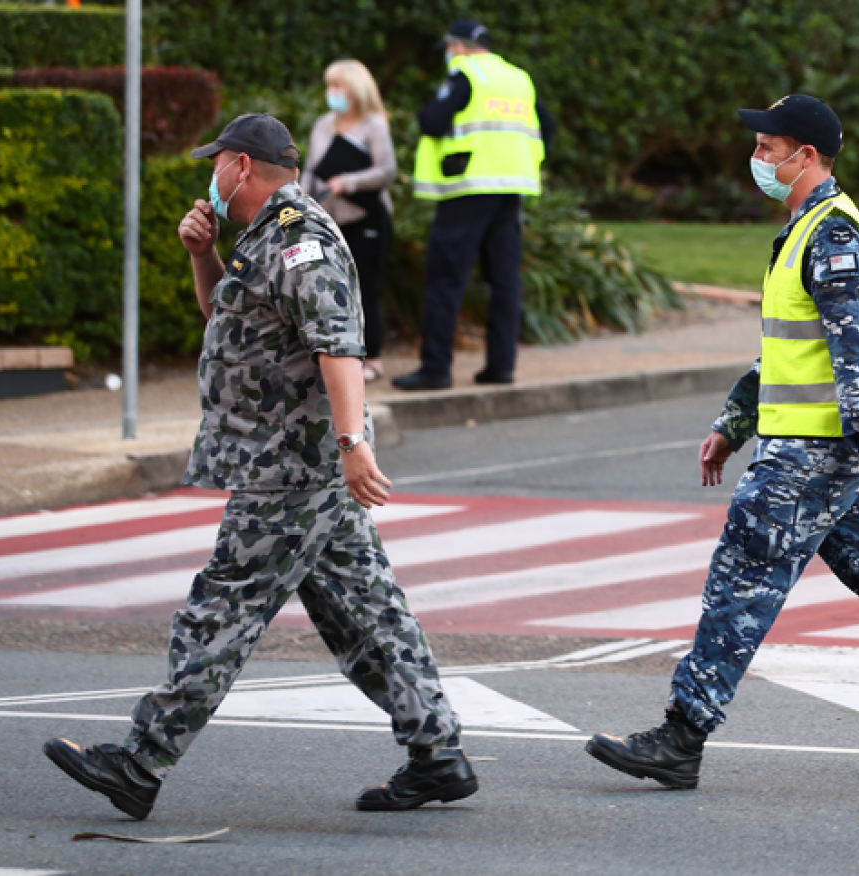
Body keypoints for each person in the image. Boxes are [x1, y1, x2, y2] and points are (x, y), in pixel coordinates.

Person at [41, 114, 476, 820]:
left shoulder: (302, 242)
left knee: (222, 609)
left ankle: (142, 760)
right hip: (297, 466)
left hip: (292, 469)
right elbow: (225, 317)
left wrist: (350, 445)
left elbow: (338, 348)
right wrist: (200, 255)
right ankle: (439, 753)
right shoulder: (263, 237)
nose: (208, 176)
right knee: (365, 614)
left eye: (215, 163)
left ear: (241, 166)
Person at [585, 95, 859, 790]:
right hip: (820, 446)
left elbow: (858, 355)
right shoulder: (806, 228)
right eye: (758, 146)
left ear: (806, 157)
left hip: (811, 453)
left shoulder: (832, 238)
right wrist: (733, 422)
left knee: (740, 579)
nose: (756, 159)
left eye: (768, 148)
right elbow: (793, 353)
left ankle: (681, 736)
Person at [392, 18, 556, 391]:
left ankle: (435, 368)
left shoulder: (465, 74)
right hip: (510, 188)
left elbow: (433, 122)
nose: (449, 56)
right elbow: (548, 126)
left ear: (459, 46)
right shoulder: (517, 78)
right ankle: (501, 367)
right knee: (504, 280)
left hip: (467, 188)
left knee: (445, 279)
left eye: (449, 49)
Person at [306, 59, 395, 382]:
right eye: (329, 86)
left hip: (366, 215)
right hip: (330, 221)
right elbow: (312, 170)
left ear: (356, 90)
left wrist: (349, 182)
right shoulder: (323, 124)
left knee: (365, 288)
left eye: (337, 86)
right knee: (330, 288)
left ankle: (372, 357)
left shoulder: (374, 124)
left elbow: (386, 171)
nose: (331, 93)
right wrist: (302, 205)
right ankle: (338, 356)